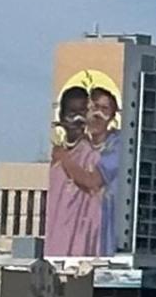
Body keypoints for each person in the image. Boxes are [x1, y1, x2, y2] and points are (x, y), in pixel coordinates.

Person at [43, 79, 122, 257]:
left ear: (112, 115)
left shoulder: (116, 145)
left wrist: (65, 158)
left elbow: (92, 182)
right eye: (94, 107)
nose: (97, 114)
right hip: (63, 235)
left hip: (98, 236)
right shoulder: (71, 150)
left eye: (105, 109)